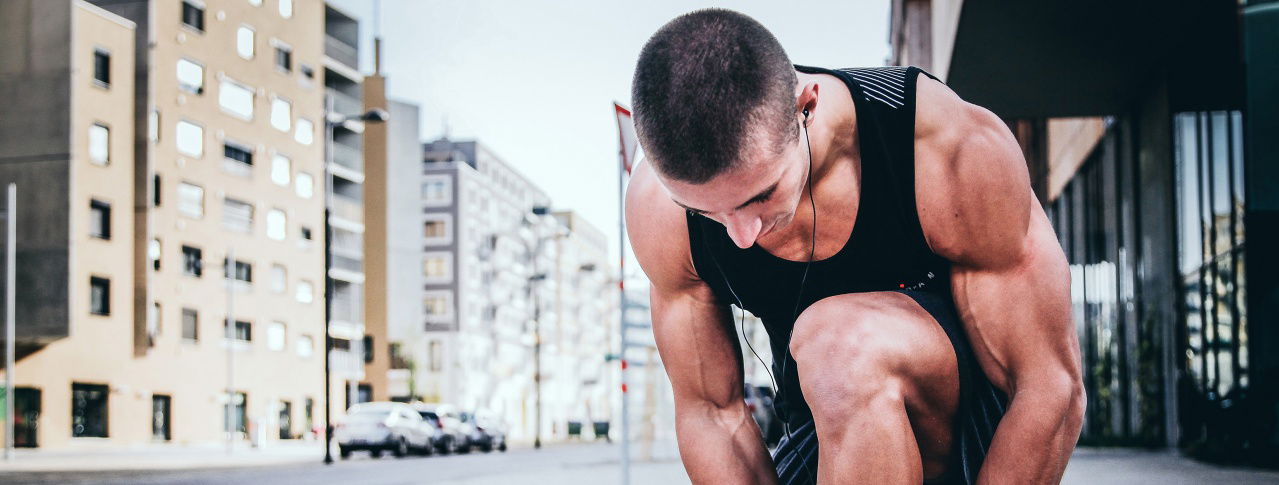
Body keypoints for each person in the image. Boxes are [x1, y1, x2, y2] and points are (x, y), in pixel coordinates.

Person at [624, 9, 1085, 485]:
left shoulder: (942, 145)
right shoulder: (659, 212)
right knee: (835, 362)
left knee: (840, 344)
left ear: (807, 106)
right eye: (706, 213)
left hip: (973, 429)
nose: (742, 235)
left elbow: (1049, 386)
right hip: (829, 433)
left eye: (760, 195)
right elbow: (711, 414)